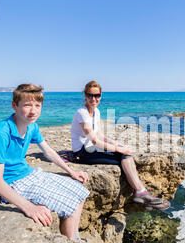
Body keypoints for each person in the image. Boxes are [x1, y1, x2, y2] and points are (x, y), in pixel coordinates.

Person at [0, 83, 90, 240]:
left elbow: (49, 152)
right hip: (12, 183)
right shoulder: (0, 134)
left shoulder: (31, 126)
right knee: (70, 206)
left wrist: (72, 172)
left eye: (37, 105)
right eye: (27, 105)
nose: (33, 111)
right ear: (14, 106)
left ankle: (74, 237)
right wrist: (29, 208)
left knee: (80, 192)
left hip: (29, 174)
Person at [70, 80, 170, 211]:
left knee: (125, 155)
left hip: (91, 148)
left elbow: (99, 134)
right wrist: (118, 149)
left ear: (100, 96)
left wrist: (116, 143)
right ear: (85, 96)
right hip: (81, 152)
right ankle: (141, 193)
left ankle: (141, 194)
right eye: (90, 95)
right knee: (124, 156)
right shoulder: (82, 113)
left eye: (97, 95)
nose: (93, 99)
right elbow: (94, 140)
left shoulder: (96, 112)